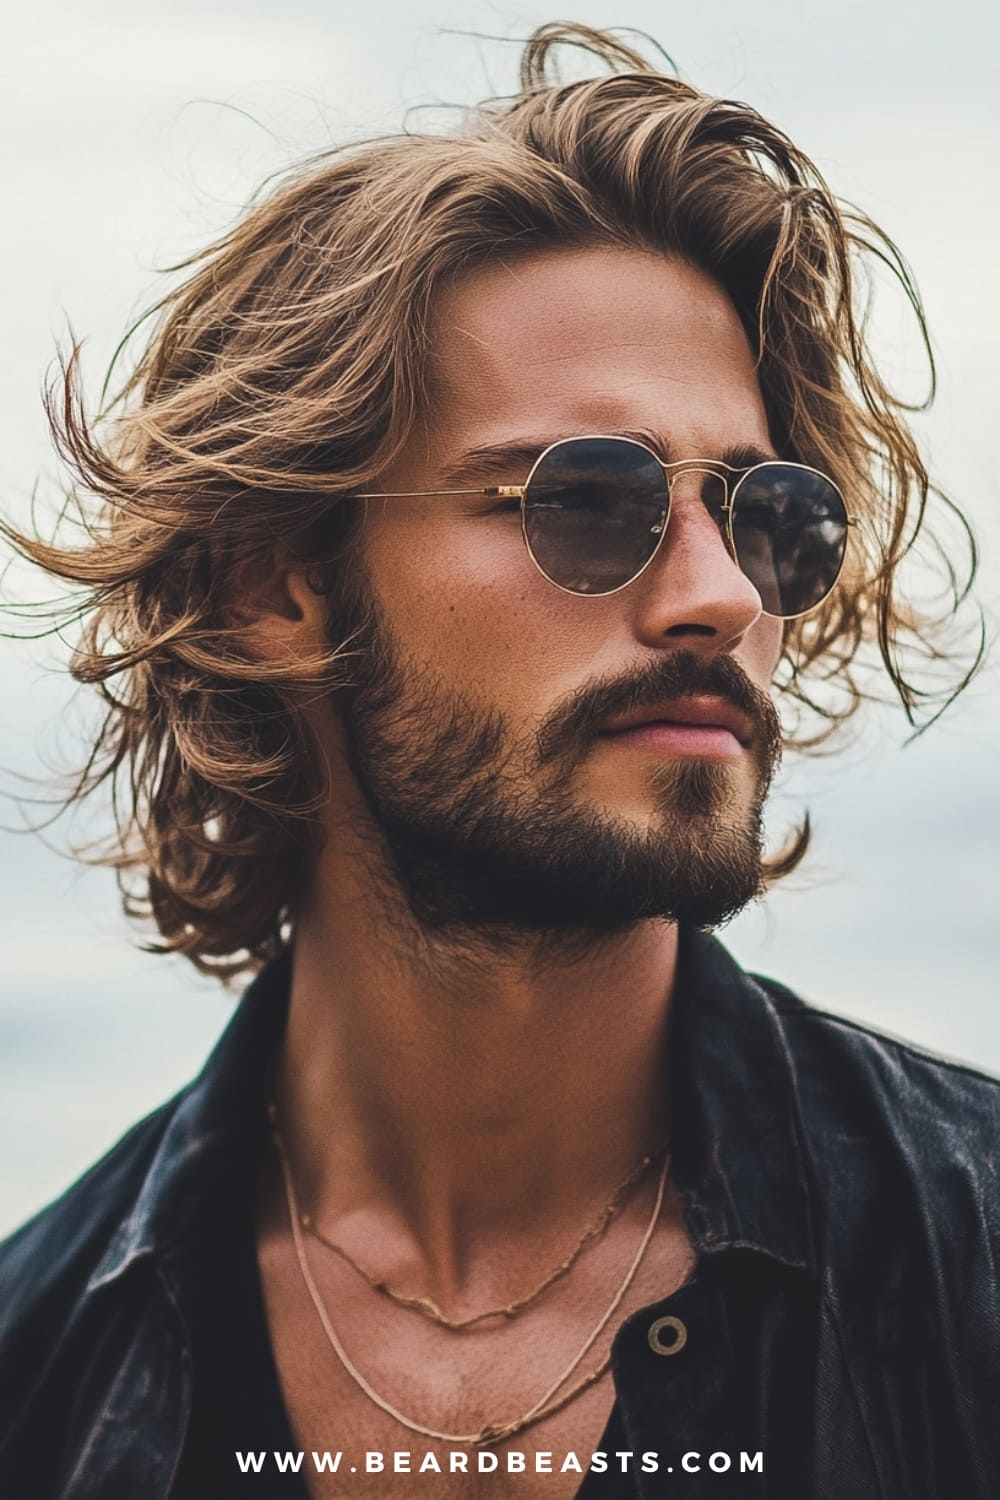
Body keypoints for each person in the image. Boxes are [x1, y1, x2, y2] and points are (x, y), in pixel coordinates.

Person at [0, 20, 995, 1500]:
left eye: (767, 512)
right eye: (589, 500)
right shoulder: (40, 1377)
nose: (721, 592)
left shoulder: (968, 1264)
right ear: (276, 588)